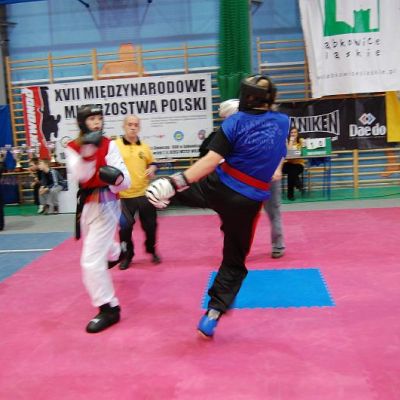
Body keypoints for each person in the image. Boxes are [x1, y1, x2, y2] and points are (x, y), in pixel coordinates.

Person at [146, 74, 289, 338]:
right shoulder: (283, 122)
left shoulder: (235, 122)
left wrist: (175, 182)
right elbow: (279, 151)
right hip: (248, 203)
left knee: (169, 192)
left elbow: (211, 161)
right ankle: (213, 313)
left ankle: (157, 199)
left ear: (246, 96)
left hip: (219, 188)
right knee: (234, 260)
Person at [65, 104, 131, 334]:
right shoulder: (73, 147)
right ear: (82, 123)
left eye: (99, 118)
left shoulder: (109, 144)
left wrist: (117, 178)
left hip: (107, 204)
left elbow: (126, 180)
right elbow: (80, 175)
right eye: (92, 119)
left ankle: (109, 307)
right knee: (98, 246)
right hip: (87, 206)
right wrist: (88, 152)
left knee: (91, 260)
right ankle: (118, 251)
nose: (96, 123)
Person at [203, 99, 286, 260]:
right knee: (239, 215)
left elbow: (281, 148)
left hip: (267, 176)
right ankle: (237, 249)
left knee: (273, 211)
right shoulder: (230, 132)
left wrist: (278, 168)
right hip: (244, 180)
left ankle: (278, 245)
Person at [112, 115, 161, 270]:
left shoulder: (144, 147)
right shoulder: (115, 145)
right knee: (125, 229)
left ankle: (151, 249)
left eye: (135, 125)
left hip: (144, 194)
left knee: (151, 226)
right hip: (123, 196)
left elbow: (153, 163)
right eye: (130, 124)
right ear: (124, 126)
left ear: (139, 127)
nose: (133, 127)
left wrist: (152, 168)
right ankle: (127, 255)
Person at [282, 127, 304, 201]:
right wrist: (291, 142)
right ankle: (298, 183)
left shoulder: (301, 141)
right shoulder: (287, 142)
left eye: (295, 132)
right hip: (288, 163)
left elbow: (302, 152)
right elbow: (288, 154)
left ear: (297, 134)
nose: (293, 134)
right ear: (289, 134)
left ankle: (290, 195)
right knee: (290, 170)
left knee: (291, 173)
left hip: (299, 164)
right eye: (291, 133)